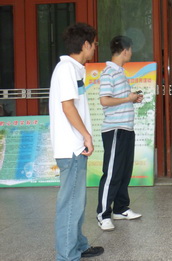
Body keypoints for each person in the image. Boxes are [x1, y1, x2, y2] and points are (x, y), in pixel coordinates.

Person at [49, 23, 104, 260]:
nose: (95, 48)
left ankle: (78, 245)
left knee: (77, 201)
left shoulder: (74, 68)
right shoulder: (66, 69)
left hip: (76, 146)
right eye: (94, 44)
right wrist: (86, 135)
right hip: (71, 146)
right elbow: (68, 106)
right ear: (85, 44)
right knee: (70, 203)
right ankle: (67, 255)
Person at [96, 36, 144, 231]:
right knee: (112, 173)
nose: (131, 53)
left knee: (124, 171)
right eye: (130, 50)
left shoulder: (121, 73)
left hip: (126, 128)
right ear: (125, 50)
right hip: (115, 129)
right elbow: (104, 100)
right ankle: (103, 214)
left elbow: (117, 99)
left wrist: (132, 99)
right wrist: (127, 99)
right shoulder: (109, 72)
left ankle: (121, 208)